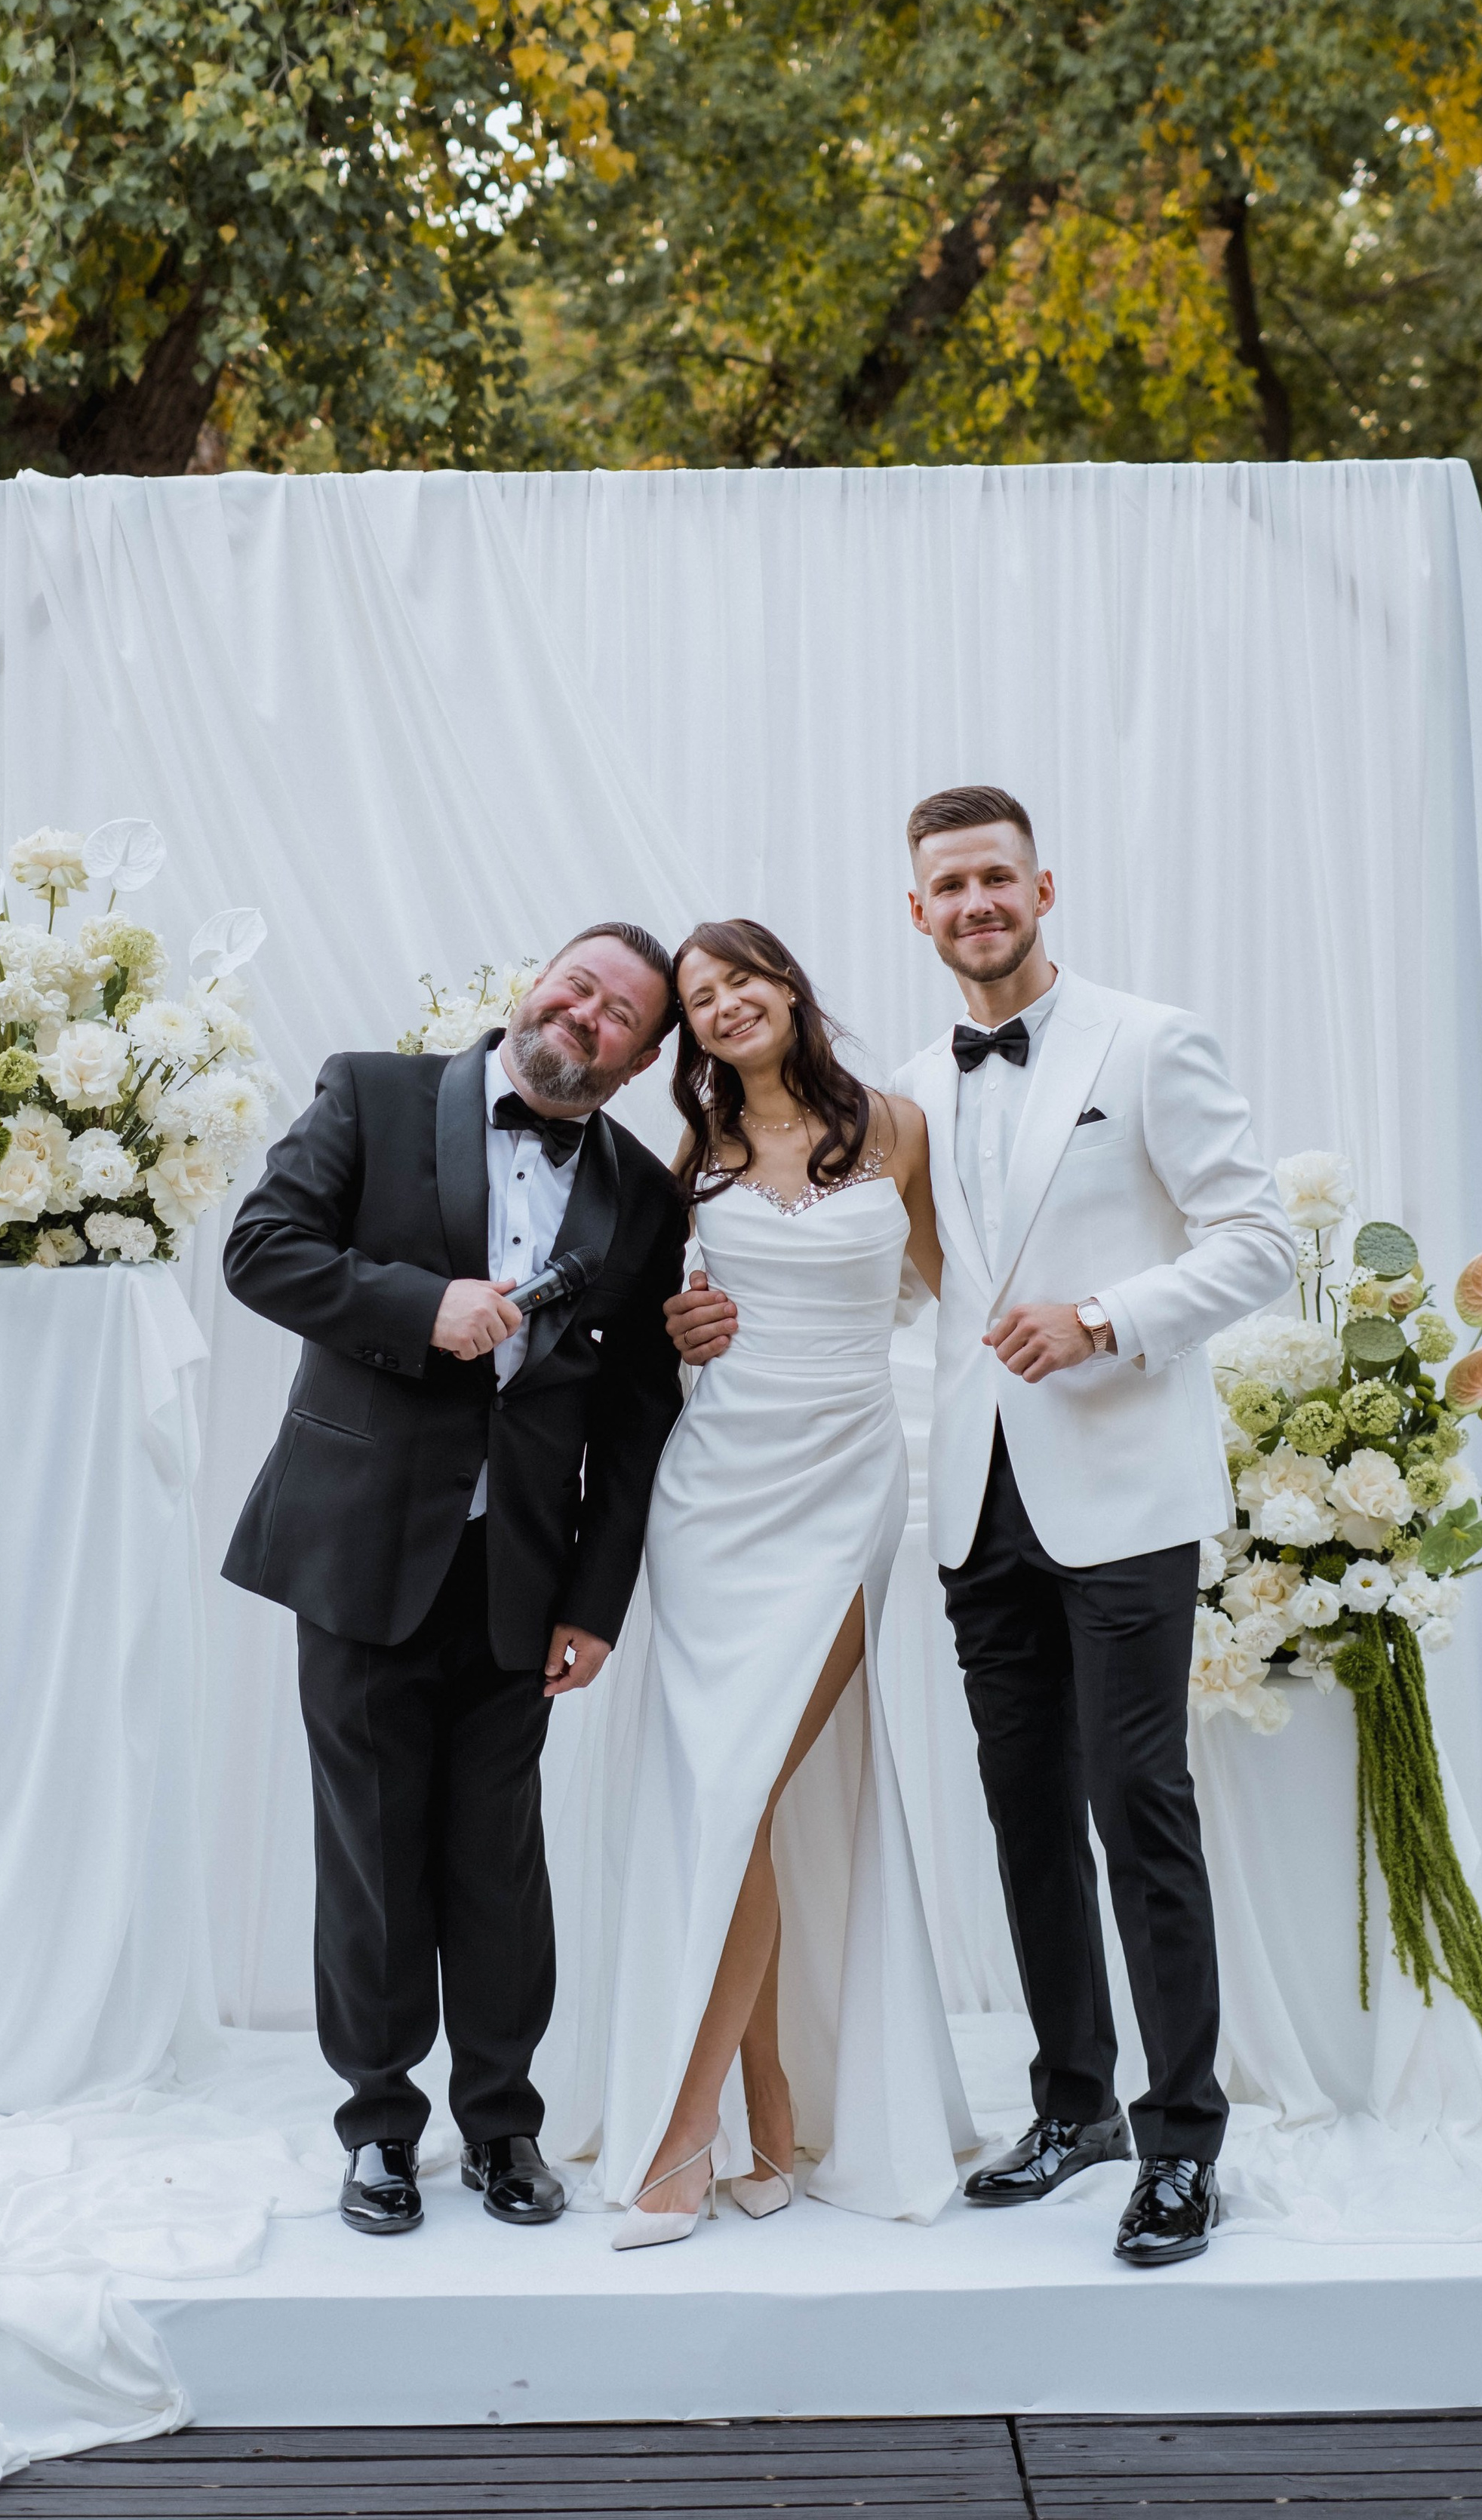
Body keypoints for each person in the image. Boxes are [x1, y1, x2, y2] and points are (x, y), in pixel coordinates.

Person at [666, 793, 1293, 2267]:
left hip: (1123, 1485)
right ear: (915, 914)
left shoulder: (1146, 1043)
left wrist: (1103, 1319)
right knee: (1019, 1815)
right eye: (944, 884)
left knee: (1135, 1803)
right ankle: (1068, 2100)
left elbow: (1257, 1240)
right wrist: (713, 1317)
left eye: (993, 876)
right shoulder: (897, 1092)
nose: (971, 901)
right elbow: (896, 1283)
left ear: (1040, 887)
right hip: (966, 1497)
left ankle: (1178, 2138)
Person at [221, 927, 687, 2238]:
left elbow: (635, 1419)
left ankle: (502, 2125)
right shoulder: (369, 1092)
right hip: (360, 1549)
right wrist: (422, 1303)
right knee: (370, 1848)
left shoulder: (647, 1198)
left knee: (499, 1861)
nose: (584, 1015)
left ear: (644, 1059)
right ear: (535, 983)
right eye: (576, 984)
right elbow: (261, 1249)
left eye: (619, 1017)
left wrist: (595, 1604)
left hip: (521, 1579)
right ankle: (377, 2128)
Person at [577, 919, 974, 2249]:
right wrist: (681, 1324)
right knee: (720, 1802)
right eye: (700, 999)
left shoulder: (904, 1131)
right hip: (712, 1502)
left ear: (791, 987)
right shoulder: (695, 1162)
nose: (728, 1003)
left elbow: (955, 1297)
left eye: (744, 977)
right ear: (690, 1036)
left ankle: (688, 2141)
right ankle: (757, 2108)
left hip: (845, 1492)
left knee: (744, 1791)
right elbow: (651, 1324)